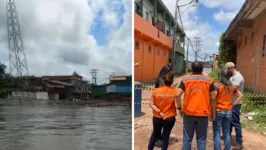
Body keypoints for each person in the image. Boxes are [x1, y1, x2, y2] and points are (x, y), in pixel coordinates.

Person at [176, 61, 217, 150]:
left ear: (192, 69)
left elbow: (177, 94)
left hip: (188, 113)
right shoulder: (209, 80)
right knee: (201, 139)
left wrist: (179, 108)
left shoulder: (185, 80)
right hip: (203, 113)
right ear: (202, 69)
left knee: (187, 138)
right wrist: (213, 112)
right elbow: (213, 97)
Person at [213, 69, 243, 150]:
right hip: (228, 111)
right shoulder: (231, 86)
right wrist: (233, 104)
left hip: (219, 110)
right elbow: (240, 95)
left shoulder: (216, 85)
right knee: (226, 133)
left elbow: (213, 97)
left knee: (217, 133)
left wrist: (212, 109)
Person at [148, 71, 177, 150]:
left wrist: (159, 111)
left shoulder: (156, 91)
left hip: (157, 117)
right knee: (166, 136)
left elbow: (151, 104)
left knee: (154, 135)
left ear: (163, 81)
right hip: (170, 117)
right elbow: (177, 104)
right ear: (171, 81)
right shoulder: (175, 91)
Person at [224, 62, 244, 150]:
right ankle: (227, 139)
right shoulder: (233, 77)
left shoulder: (237, 77)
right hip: (230, 103)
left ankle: (239, 143)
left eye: (227, 70)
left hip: (235, 103)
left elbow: (232, 89)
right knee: (229, 122)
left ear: (230, 68)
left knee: (235, 122)